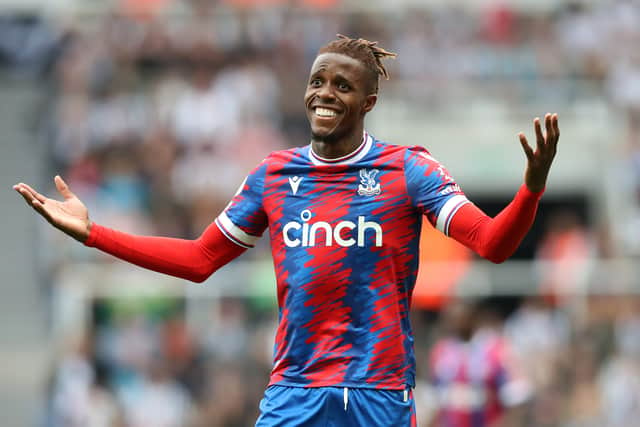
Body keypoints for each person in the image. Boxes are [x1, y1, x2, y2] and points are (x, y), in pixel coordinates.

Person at [14, 35, 559, 426]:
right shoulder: (274, 174)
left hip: (377, 394)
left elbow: (493, 244)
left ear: (368, 102)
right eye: (317, 80)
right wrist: (94, 234)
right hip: (293, 392)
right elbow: (199, 260)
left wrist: (530, 189)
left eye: (341, 85)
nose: (324, 93)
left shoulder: (407, 169)